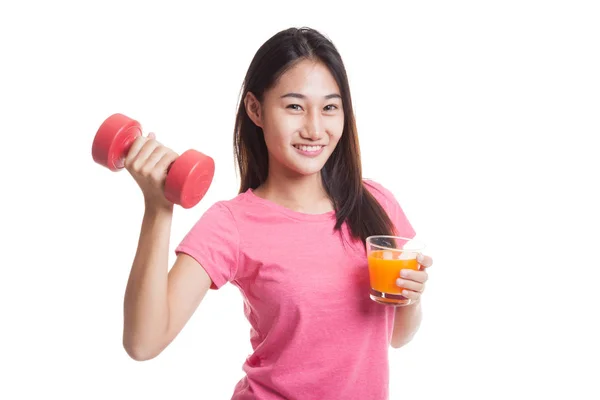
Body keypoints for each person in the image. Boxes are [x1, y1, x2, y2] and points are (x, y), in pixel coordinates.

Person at [121, 26, 434, 400]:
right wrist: (159, 210)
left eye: (330, 107)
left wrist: (411, 300)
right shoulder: (231, 224)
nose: (315, 128)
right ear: (256, 109)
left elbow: (396, 337)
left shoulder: (376, 203)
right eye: (294, 106)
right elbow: (143, 342)